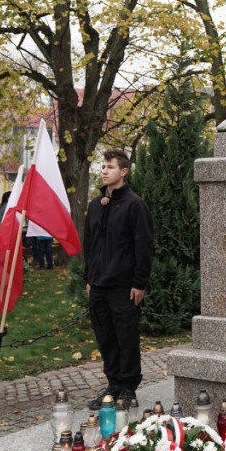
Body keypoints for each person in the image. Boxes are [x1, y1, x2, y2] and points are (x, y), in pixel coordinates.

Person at [84, 150, 154, 410]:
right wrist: (89, 277)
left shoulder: (135, 205)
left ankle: (128, 387)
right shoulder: (95, 205)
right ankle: (113, 385)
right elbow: (88, 244)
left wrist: (139, 282)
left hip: (124, 286)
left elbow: (143, 245)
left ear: (123, 171)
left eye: (110, 167)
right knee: (106, 337)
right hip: (98, 285)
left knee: (126, 337)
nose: (104, 171)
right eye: (102, 166)